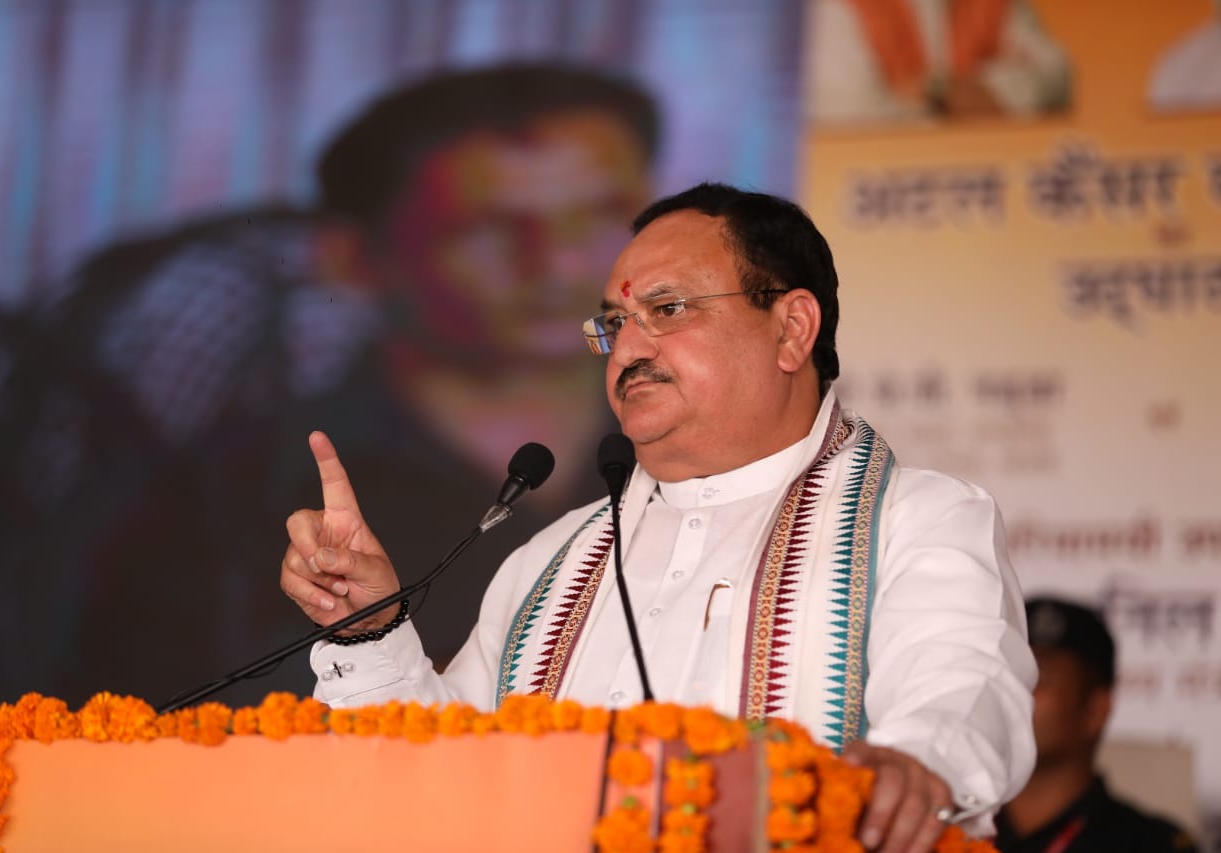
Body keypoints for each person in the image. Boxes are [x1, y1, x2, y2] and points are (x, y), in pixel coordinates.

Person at [281, 182, 1037, 850]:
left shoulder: (918, 521)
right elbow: (441, 772)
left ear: (792, 329)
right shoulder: (551, 559)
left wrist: (915, 766)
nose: (627, 350)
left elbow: (964, 689)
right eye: (614, 322)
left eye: (667, 309)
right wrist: (369, 630)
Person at [0, 63, 657, 710]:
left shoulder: (718, 454)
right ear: (353, 258)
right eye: (490, 228)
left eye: (597, 218)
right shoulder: (209, 497)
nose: (558, 261)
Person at [996, 597, 1200, 853]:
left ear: (1095, 711)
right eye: (1006, 673)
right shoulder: (943, 825)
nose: (1013, 690)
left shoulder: (1151, 845)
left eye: (1038, 676)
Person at [805, 0, 1071, 125]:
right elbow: (845, 116)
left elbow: (1058, 77)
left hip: (986, 177)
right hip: (884, 195)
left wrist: (998, 91)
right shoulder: (834, 6)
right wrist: (943, 102)